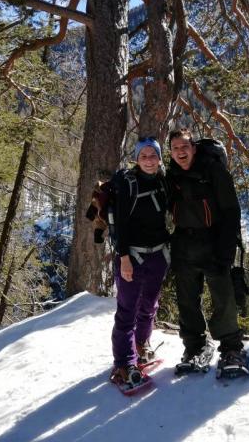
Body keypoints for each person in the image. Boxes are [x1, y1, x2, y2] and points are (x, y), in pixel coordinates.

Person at [166, 128, 249, 373]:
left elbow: (231, 211)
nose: (180, 152)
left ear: (194, 148)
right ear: (170, 153)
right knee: (187, 300)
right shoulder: (171, 176)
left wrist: (226, 249)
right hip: (184, 244)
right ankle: (194, 347)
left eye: (184, 147)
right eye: (175, 148)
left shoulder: (213, 171)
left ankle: (232, 349)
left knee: (223, 298)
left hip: (214, 242)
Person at [109, 137, 170, 386]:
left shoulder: (163, 181)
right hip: (132, 256)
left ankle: (141, 345)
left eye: (153, 155)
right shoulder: (128, 184)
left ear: (160, 158)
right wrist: (124, 258)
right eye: (143, 156)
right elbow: (120, 225)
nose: (148, 160)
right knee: (127, 311)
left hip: (158, 255)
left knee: (149, 306)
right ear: (136, 159)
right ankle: (124, 363)